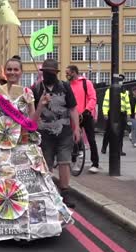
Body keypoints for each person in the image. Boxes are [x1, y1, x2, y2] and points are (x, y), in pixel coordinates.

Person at [0, 56, 73, 241]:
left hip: (22, 145)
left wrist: (40, 106)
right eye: (9, 69)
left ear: (21, 72)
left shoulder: (28, 93)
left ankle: (27, 225)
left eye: (16, 70)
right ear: (5, 71)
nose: (12, 73)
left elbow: (32, 122)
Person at [33, 59, 80, 208]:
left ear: (56, 73)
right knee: (46, 164)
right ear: (43, 73)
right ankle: (48, 191)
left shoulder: (65, 87)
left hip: (64, 131)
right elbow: (32, 113)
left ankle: (65, 192)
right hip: (44, 132)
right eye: (46, 72)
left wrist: (76, 128)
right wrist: (41, 104)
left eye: (52, 72)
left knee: (64, 161)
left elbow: (73, 109)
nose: (49, 75)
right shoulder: (36, 89)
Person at [65, 65, 100, 173]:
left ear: (74, 72)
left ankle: (95, 163)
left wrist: (87, 110)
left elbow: (93, 98)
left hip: (86, 115)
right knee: (74, 139)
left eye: (68, 73)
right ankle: (74, 161)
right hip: (74, 116)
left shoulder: (86, 83)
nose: (67, 75)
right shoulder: (68, 85)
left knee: (91, 139)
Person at [101, 74, 130, 156]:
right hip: (112, 114)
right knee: (108, 131)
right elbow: (106, 102)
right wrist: (105, 113)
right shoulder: (110, 90)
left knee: (120, 133)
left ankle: (119, 149)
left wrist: (128, 113)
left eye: (122, 80)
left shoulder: (124, 91)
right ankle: (104, 147)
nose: (120, 82)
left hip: (122, 114)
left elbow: (127, 103)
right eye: (119, 80)